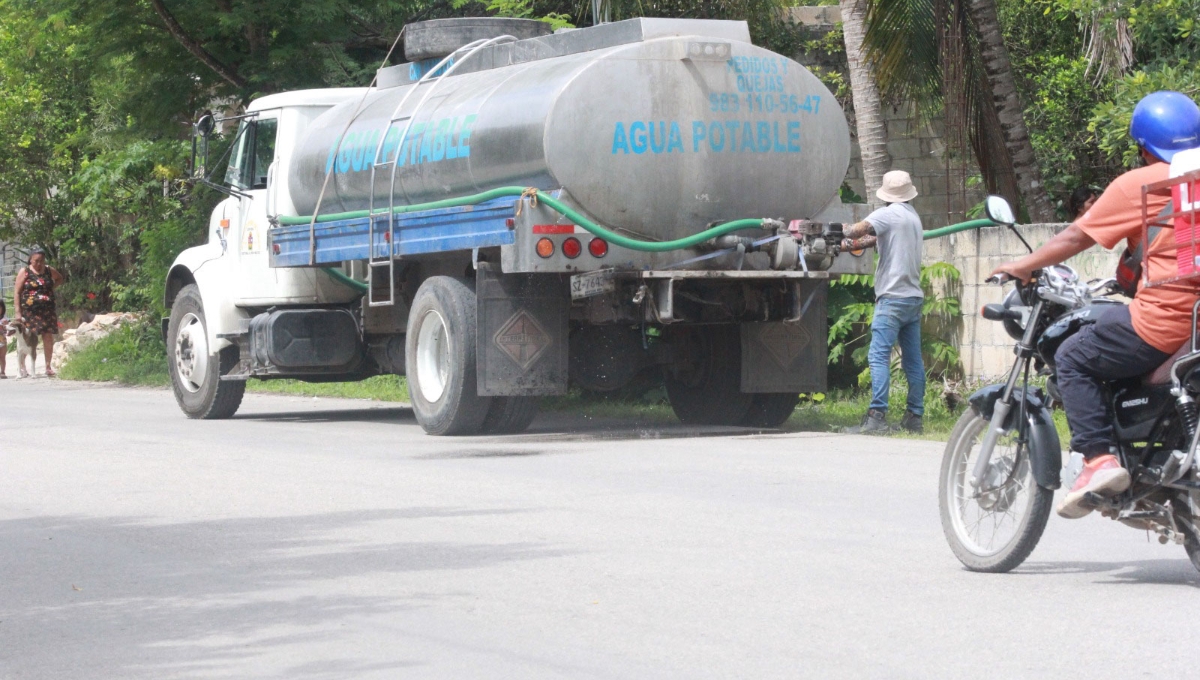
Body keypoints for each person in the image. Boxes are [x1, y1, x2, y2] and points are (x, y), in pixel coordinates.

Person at [992, 90, 1200, 519]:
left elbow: (1074, 238)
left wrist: (1024, 265)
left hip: (1165, 322)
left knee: (1073, 355)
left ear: (1143, 145)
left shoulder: (1142, 182)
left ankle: (1099, 461)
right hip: (1194, 326)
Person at [841, 170, 926, 434]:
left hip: (891, 298)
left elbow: (856, 230)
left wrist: (829, 231)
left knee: (878, 356)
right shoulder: (912, 217)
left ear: (886, 195)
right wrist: (844, 246)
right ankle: (915, 417)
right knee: (913, 361)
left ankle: (876, 417)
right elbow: (873, 239)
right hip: (912, 298)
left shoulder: (887, 214)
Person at [12, 248, 64, 377]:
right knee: (27, 337)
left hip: (47, 310)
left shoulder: (48, 270)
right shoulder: (25, 272)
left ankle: (48, 366)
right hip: (30, 311)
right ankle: (23, 367)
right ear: (30, 259)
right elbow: (17, 292)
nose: (39, 263)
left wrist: (51, 287)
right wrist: (18, 312)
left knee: (47, 336)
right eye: (36, 261)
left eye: (41, 260)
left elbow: (60, 279)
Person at [0, 300, 9, 379]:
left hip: (2, 339)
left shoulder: (4, 318)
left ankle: (2, 371)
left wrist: (5, 324)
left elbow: (7, 324)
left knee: (2, 356)